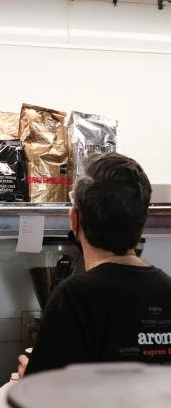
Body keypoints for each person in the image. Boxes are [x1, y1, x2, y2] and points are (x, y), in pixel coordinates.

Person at [20, 152, 171, 376]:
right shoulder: (167, 289)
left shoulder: (74, 296)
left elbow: (47, 403)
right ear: (142, 219)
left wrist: (30, 380)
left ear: (74, 219)